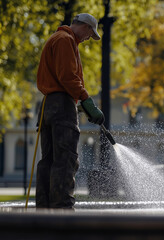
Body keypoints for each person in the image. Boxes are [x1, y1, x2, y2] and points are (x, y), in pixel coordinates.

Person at [36, 13, 104, 209]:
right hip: (62, 105)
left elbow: (59, 77)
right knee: (66, 160)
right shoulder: (66, 40)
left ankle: (43, 210)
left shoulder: (55, 38)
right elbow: (67, 77)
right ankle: (62, 211)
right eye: (89, 35)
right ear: (85, 27)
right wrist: (85, 99)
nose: (87, 39)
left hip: (49, 105)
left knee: (47, 160)